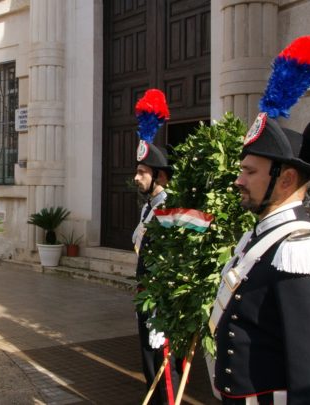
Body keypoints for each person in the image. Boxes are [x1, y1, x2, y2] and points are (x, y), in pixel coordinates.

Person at [209, 36, 310, 404]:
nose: (238, 180)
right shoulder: (260, 238)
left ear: (285, 179)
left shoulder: (305, 252)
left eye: (249, 172)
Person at [131, 89, 182, 405]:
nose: (136, 178)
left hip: (161, 303)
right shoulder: (148, 208)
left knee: (163, 368)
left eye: (141, 172)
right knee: (150, 364)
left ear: (159, 176)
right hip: (145, 298)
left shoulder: (171, 212)